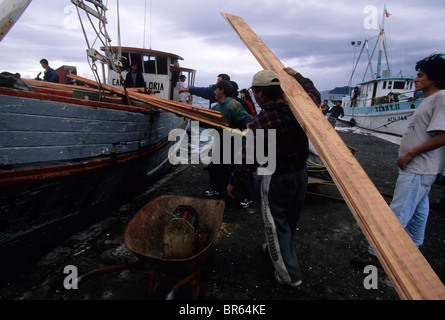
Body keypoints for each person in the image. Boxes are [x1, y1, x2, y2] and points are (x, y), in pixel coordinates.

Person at [227, 68, 321, 287]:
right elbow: (313, 92)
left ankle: (290, 276)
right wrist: (297, 76)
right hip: (301, 174)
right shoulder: (300, 107)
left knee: (275, 222)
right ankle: (276, 249)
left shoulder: (262, 122)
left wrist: (232, 184)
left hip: (278, 177)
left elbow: (248, 161)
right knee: (290, 218)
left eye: (256, 93)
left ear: (261, 94)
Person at [351, 53, 445, 269]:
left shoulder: (441, 98)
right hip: (421, 170)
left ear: (435, 78)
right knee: (419, 211)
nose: (416, 79)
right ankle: (413, 248)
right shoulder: (428, 99)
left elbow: (443, 135)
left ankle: (377, 256)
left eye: (421, 75)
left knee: (399, 211)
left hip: (418, 168)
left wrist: (411, 153)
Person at [205, 80, 252, 197]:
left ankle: (247, 196)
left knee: (238, 170)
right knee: (214, 167)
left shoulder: (233, 105)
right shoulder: (216, 107)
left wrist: (248, 130)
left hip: (234, 143)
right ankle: (216, 189)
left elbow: (247, 119)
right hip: (221, 143)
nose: (214, 91)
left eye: (216, 88)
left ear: (222, 90)